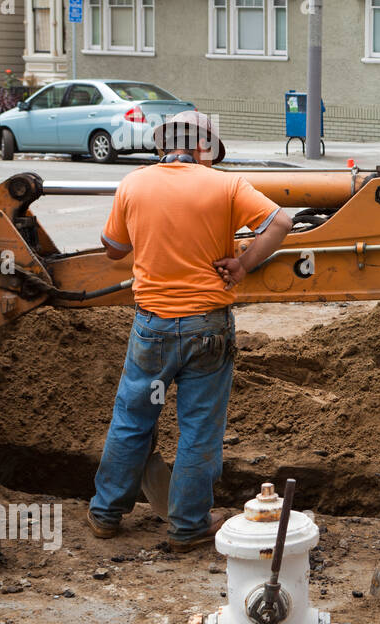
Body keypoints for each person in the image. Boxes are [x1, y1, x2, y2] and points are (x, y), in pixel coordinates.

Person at [87, 111, 293, 552]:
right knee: (199, 428)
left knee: (132, 420)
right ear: (205, 148)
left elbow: (114, 249)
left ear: (163, 146)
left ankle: (105, 515)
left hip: (153, 326)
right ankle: (188, 526)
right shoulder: (226, 185)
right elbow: (281, 223)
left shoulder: (135, 183)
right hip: (209, 326)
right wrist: (242, 264)